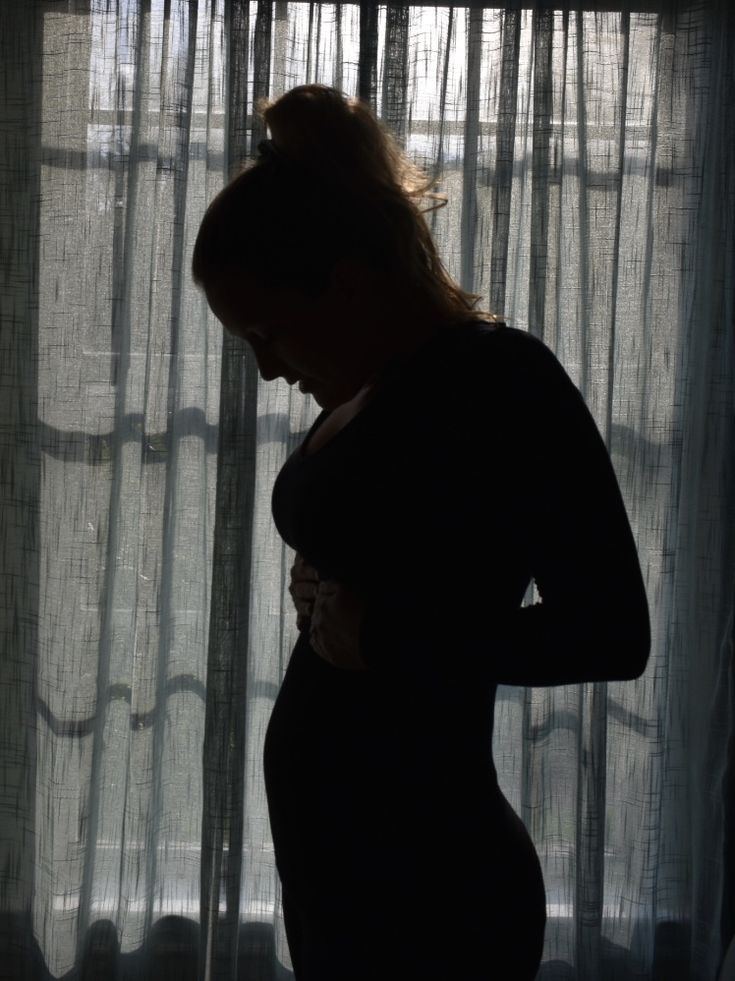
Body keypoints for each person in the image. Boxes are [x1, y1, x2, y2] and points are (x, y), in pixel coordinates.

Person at [191, 84, 651, 980]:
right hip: (342, 881)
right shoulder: (371, 386)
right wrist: (325, 575)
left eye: (267, 333)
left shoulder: (502, 379)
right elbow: (414, 544)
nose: (263, 369)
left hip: (434, 889)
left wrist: (386, 631)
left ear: (348, 284)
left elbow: (612, 631)